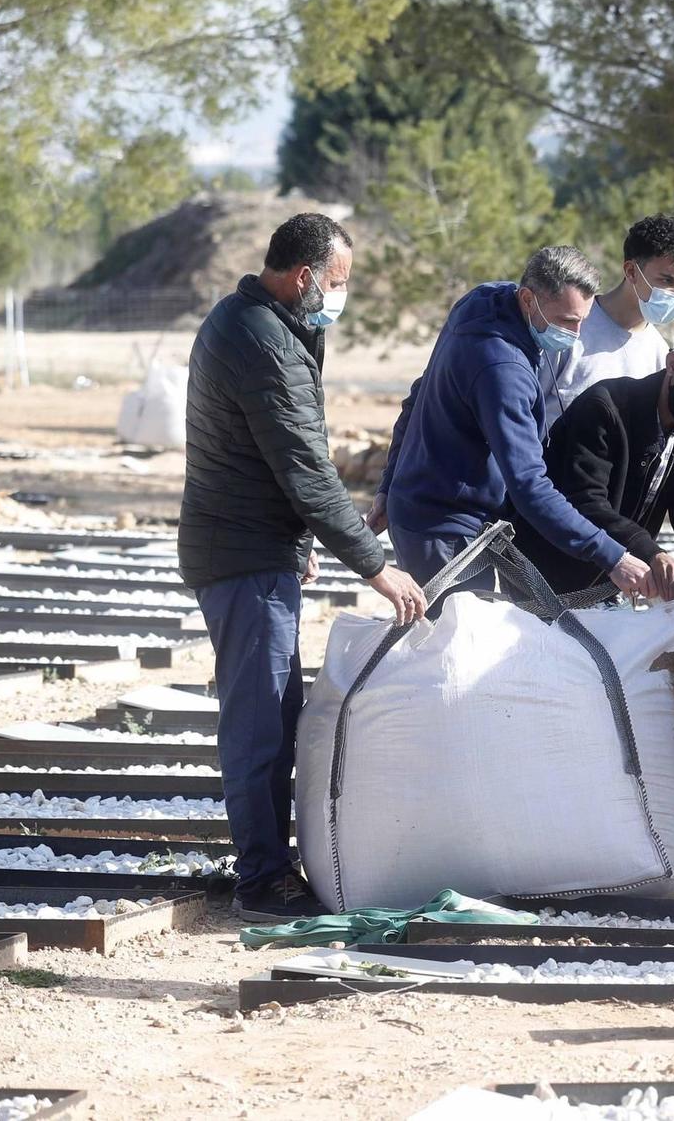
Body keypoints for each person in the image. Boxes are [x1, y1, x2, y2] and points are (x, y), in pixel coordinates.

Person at [180, 212, 427, 921]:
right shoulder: (260, 340)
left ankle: (270, 867)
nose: (338, 298)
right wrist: (376, 565)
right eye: (337, 283)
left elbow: (272, 462)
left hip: (256, 548)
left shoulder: (258, 325)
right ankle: (261, 880)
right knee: (260, 725)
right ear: (304, 276)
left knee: (274, 714)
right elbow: (305, 469)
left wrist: (301, 542)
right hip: (241, 558)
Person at [371, 247, 654, 602]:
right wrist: (612, 557)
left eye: (583, 319)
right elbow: (529, 485)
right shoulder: (503, 372)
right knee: (460, 652)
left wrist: (388, 484)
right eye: (566, 320)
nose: (576, 333)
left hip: (428, 508)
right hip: (444, 527)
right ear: (527, 299)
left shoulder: (483, 300)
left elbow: (418, 396)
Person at [515, 324, 674, 598]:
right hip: (542, 571)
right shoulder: (606, 408)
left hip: (608, 582)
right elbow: (586, 500)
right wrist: (649, 552)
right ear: (673, 364)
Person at [540, 214, 674, 433]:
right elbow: (525, 414)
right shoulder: (568, 330)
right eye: (667, 280)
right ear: (631, 271)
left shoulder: (661, 356)